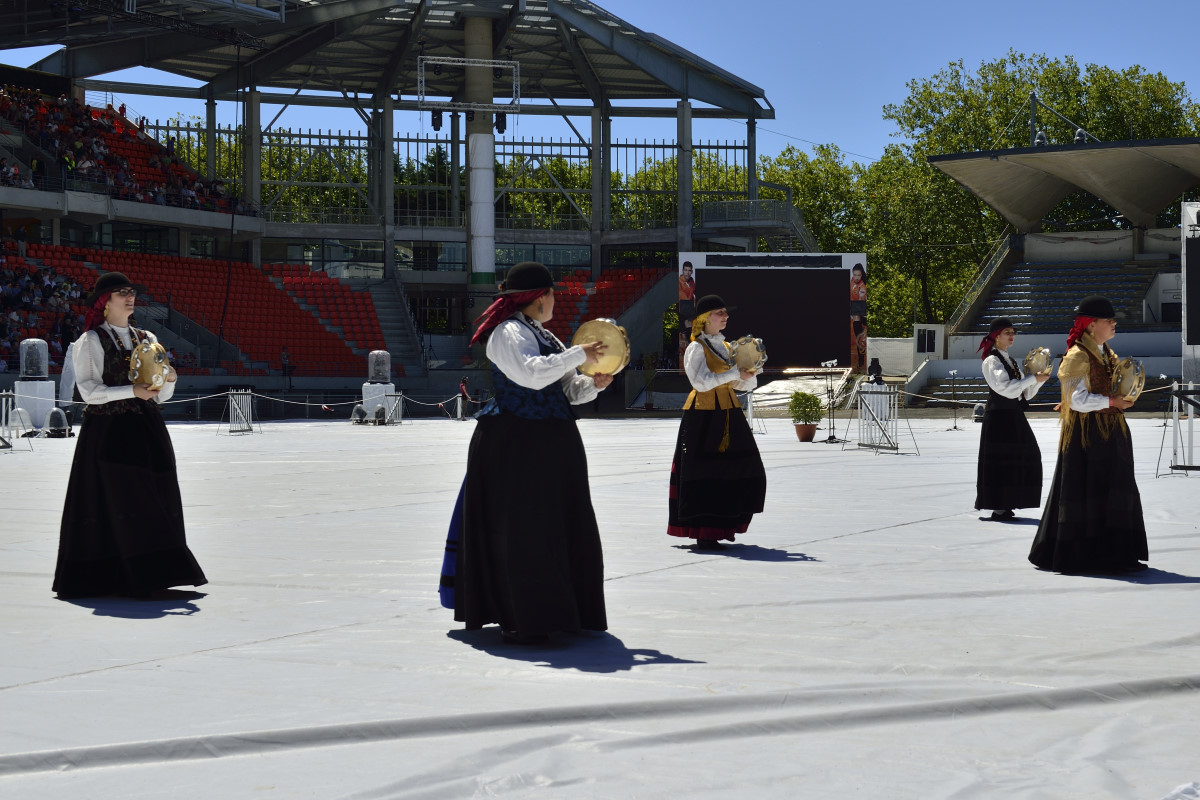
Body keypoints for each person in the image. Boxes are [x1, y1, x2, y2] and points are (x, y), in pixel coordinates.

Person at [441, 261, 612, 643]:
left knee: (556, 525)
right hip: (515, 441)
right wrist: (578, 354)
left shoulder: (544, 335)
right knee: (524, 528)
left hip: (551, 440)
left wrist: (594, 384)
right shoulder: (508, 333)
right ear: (540, 297)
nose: (556, 301)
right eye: (553, 294)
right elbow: (531, 375)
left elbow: (564, 391)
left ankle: (557, 612)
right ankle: (523, 615)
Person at [53, 272, 207, 599]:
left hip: (147, 429)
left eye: (131, 292)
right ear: (104, 303)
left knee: (156, 496)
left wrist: (170, 381)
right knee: (122, 499)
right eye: (121, 293)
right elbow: (89, 392)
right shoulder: (90, 341)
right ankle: (119, 575)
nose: (129, 297)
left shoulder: (147, 337)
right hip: (108, 431)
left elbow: (159, 395)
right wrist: (131, 390)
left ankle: (156, 571)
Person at [1028, 296, 1148, 574]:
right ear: (1092, 325)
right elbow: (1077, 400)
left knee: (1116, 488)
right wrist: (1111, 402)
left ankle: (1115, 553)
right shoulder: (1076, 356)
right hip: (1088, 436)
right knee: (1091, 490)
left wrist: (1122, 397)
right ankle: (1092, 555)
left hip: (1111, 431)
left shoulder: (1106, 352)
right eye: (1109, 320)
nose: (1114, 323)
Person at [667, 294, 766, 550]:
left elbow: (741, 385)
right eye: (719, 312)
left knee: (739, 468)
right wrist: (735, 373)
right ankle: (705, 531)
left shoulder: (728, 347)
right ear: (704, 318)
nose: (725, 316)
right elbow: (699, 383)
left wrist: (750, 372)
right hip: (702, 415)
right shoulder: (696, 347)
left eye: (725, 312)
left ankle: (726, 524)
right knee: (705, 471)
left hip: (728, 411)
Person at [975, 317, 1048, 521]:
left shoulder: (1009, 360)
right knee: (1001, 462)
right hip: (999, 417)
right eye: (1007, 332)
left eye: (1013, 332)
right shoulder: (992, 360)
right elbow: (1005, 389)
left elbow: (1023, 394)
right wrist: (1032, 379)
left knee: (1023, 457)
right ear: (996, 336)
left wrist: (1038, 380)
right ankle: (999, 506)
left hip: (1012, 415)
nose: (1012, 335)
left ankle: (1008, 503)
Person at [849, 263, 868, 372]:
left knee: (859, 338)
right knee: (857, 337)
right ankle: (860, 360)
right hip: (854, 311)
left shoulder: (862, 288)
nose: (856, 277)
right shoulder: (852, 281)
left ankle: (861, 361)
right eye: (855, 274)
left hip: (858, 313)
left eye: (858, 275)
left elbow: (861, 303)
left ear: (862, 275)